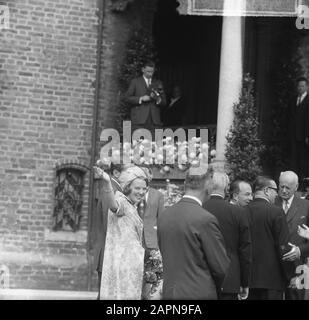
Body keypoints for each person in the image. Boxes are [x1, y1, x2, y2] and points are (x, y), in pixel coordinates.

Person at [157, 169, 230, 300]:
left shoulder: (164, 215)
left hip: (170, 292)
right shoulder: (205, 219)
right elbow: (220, 267)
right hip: (198, 292)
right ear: (208, 186)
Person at [94, 165, 148, 300]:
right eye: (137, 188)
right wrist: (107, 181)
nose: (141, 192)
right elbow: (113, 205)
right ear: (128, 188)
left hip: (132, 267)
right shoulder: (122, 201)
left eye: (144, 189)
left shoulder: (132, 206)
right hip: (122, 268)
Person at [204, 172, 252, 300]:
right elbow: (245, 251)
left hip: (203, 278)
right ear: (226, 189)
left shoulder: (200, 208)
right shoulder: (238, 212)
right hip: (230, 279)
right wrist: (244, 282)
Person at [247, 176, 290, 300]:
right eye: (275, 190)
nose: (277, 194)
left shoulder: (242, 211)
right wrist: (289, 274)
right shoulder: (276, 212)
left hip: (248, 279)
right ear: (266, 190)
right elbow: (283, 247)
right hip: (272, 279)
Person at [92, 162, 124, 299]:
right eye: (128, 172)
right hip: (109, 251)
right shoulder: (111, 190)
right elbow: (109, 224)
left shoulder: (115, 188)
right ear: (116, 173)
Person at [276, 170, 309, 300]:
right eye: (281, 186)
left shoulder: (306, 206)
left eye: (287, 188)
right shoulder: (271, 203)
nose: (283, 190)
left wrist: (300, 251)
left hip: (298, 267)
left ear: (296, 187)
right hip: (274, 266)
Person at [138, 166, 165, 299]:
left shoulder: (158, 195)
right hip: (135, 240)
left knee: (151, 278)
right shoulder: (133, 192)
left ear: (150, 177)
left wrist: (160, 245)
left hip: (151, 242)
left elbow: (161, 219)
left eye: (146, 174)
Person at [125, 61, 166, 132]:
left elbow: (164, 102)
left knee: (154, 142)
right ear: (142, 70)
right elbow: (127, 98)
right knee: (139, 143)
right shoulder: (135, 82)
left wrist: (157, 99)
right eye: (148, 71)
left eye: (152, 72)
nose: (150, 74)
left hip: (154, 121)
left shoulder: (158, 83)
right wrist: (141, 99)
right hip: (139, 121)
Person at [288, 77, 309, 180]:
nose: (300, 88)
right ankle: (293, 182)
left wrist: (307, 135)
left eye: (303, 86)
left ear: (307, 87)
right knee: (293, 160)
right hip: (293, 135)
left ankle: (303, 183)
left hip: (304, 136)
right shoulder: (293, 99)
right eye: (299, 86)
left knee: (303, 160)